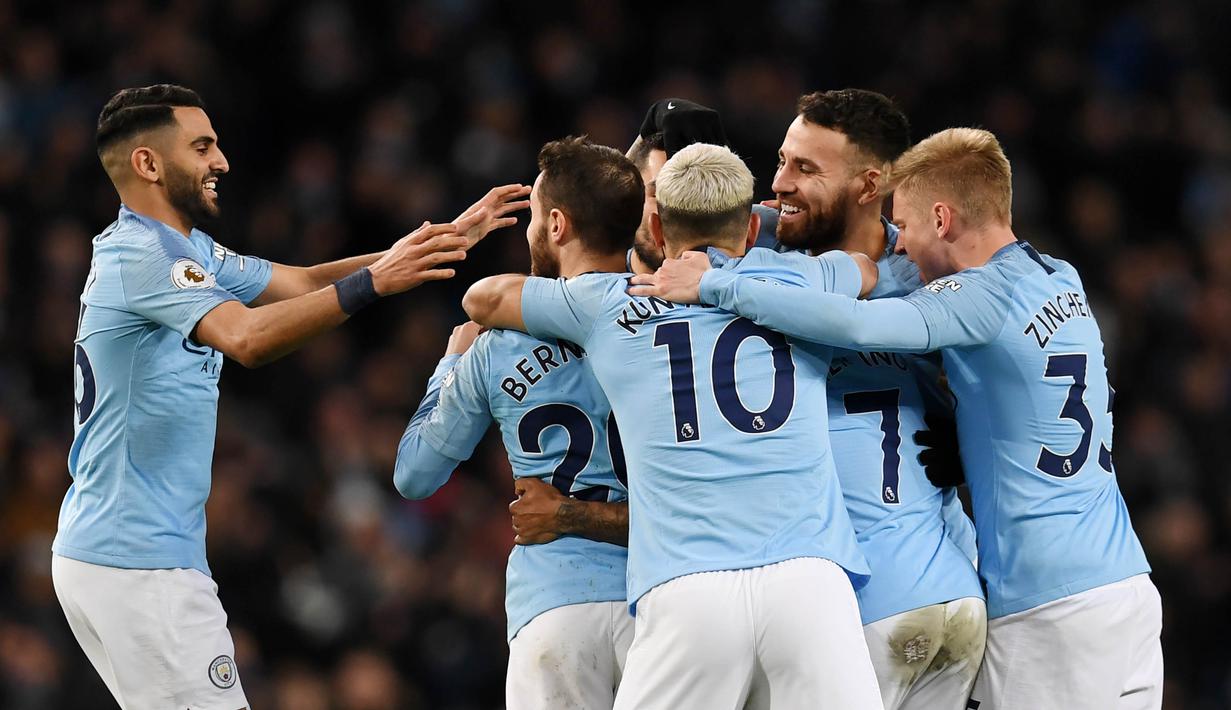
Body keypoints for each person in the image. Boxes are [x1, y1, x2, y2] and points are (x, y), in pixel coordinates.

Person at [632, 127, 1161, 710]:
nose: (899, 246)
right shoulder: (1060, 276)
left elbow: (857, 326)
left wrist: (718, 283)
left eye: (903, 226)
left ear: (941, 218)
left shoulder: (977, 296)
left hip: (1047, 604)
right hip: (1127, 586)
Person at [53, 84, 527, 710]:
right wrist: (371, 286)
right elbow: (246, 338)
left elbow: (299, 281)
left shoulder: (183, 251)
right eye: (202, 147)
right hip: (140, 559)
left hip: (115, 549)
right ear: (148, 164)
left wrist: (428, 244)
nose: (221, 160)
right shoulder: (142, 256)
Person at [464, 141, 883, 709]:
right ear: (752, 230)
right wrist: (744, 272)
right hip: (809, 579)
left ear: (655, 231)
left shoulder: (606, 303)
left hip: (688, 588)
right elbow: (864, 267)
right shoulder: (798, 282)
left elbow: (483, 299)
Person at [753, 88, 987, 709]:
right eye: (781, 161)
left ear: (868, 184)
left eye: (805, 169)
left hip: (863, 605)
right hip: (947, 596)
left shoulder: (930, 275)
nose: (779, 184)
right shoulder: (752, 239)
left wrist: (974, 435)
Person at [392, 137, 645, 709]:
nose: (528, 232)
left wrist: (450, 365)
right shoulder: (672, 320)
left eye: (532, 217)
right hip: (661, 599)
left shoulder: (497, 345)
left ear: (556, 225)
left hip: (555, 602)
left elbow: (415, 475)